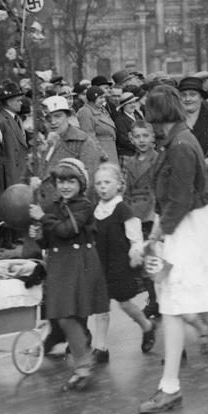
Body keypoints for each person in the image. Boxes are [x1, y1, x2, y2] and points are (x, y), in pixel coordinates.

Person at [137, 85, 208, 414]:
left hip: (189, 228)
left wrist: (157, 233)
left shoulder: (179, 146)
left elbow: (180, 199)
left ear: (159, 117)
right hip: (191, 226)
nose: (151, 126)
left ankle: (170, 387)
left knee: (174, 304)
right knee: (196, 301)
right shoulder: (180, 141)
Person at [27, 158, 108, 392]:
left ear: (81, 184)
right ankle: (83, 364)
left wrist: (43, 218)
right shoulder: (54, 206)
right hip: (60, 264)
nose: (65, 186)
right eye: (60, 181)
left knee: (67, 314)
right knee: (64, 315)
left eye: (71, 181)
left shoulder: (84, 205)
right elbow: (49, 238)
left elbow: (67, 230)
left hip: (79, 263)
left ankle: (83, 365)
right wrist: (38, 232)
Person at [88, 164, 156, 356]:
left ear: (119, 185)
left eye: (107, 182)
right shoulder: (95, 210)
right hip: (100, 264)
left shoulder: (123, 209)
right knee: (101, 307)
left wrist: (136, 252)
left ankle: (147, 325)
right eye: (99, 183)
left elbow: (135, 238)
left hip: (119, 266)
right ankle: (100, 347)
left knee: (125, 303)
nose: (103, 187)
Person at [122, 121, 160, 319]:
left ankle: (159, 301)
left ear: (152, 137)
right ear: (131, 138)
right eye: (137, 137)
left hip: (153, 215)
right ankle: (154, 300)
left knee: (156, 259)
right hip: (136, 215)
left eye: (145, 136)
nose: (142, 140)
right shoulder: (129, 162)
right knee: (144, 262)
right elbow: (127, 190)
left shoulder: (159, 159)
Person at [77, 84, 120, 168]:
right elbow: (89, 136)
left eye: (104, 97)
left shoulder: (101, 109)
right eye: (100, 98)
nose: (103, 100)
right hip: (101, 155)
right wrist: (102, 154)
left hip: (110, 150)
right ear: (92, 98)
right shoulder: (85, 112)